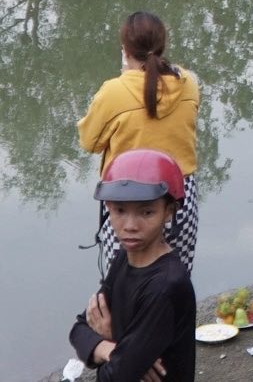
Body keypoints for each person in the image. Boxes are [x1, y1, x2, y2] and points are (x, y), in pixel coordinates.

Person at [78, 12, 200, 276]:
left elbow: (89, 141)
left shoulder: (115, 91)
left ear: (125, 50)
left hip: (127, 199)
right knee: (176, 274)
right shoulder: (188, 82)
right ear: (162, 45)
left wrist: (126, 76)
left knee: (123, 280)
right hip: (179, 196)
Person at [69, 148, 196, 382]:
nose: (130, 226)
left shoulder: (165, 286)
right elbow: (78, 329)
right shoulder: (124, 257)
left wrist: (115, 347)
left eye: (146, 212)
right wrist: (115, 350)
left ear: (169, 211)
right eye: (119, 211)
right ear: (107, 207)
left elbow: (113, 377)